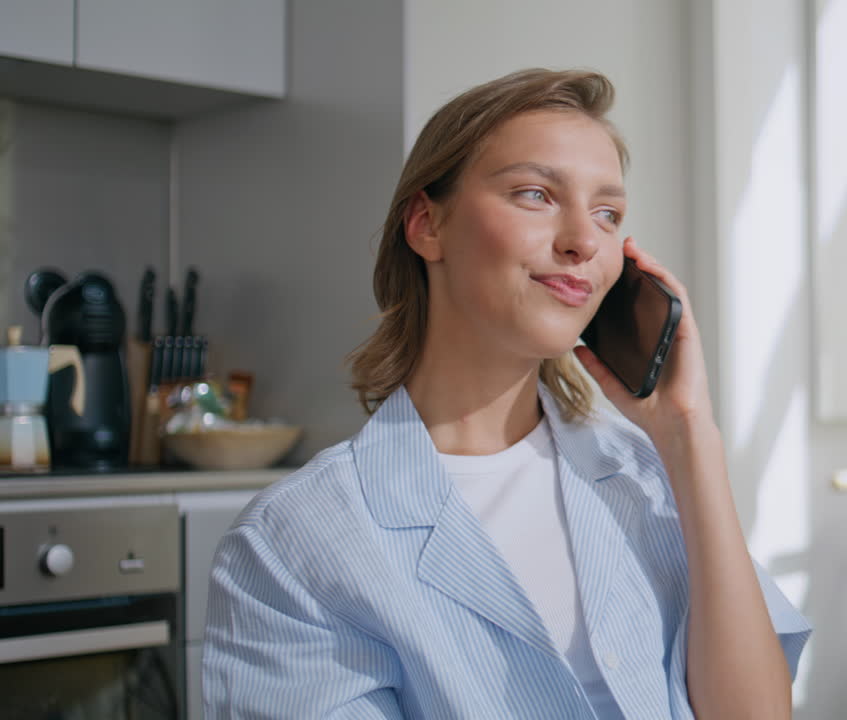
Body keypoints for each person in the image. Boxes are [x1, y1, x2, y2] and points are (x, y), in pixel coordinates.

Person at [202, 68, 811, 719]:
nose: (584, 240)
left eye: (608, 214)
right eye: (534, 194)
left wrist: (690, 436)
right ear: (426, 226)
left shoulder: (647, 473)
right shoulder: (293, 545)